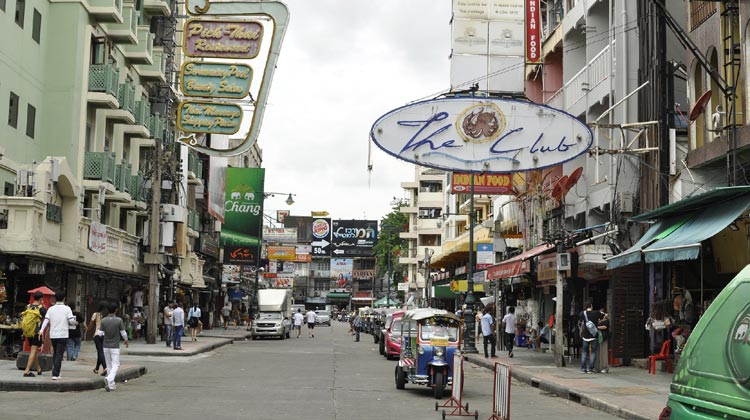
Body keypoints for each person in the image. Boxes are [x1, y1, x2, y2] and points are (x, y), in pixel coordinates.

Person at [38, 292, 76, 380]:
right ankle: (55, 374)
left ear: (55, 299)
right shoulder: (67, 309)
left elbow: (46, 321)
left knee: (56, 353)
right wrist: (75, 322)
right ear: (64, 299)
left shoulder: (51, 309)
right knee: (59, 354)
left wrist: (41, 331)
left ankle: (56, 370)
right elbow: (71, 321)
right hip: (63, 335)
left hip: (53, 335)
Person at [100, 301, 129, 391]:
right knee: (116, 364)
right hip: (115, 346)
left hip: (105, 346)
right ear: (116, 310)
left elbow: (100, 333)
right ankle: (109, 379)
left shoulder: (103, 320)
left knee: (108, 365)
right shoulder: (119, 320)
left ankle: (111, 385)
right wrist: (126, 340)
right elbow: (123, 332)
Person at [22, 291, 47, 377]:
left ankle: (38, 369)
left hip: (28, 332)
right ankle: (27, 370)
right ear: (41, 299)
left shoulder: (28, 307)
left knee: (34, 350)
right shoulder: (42, 309)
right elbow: (46, 321)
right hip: (36, 333)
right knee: (33, 351)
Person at [579, 302, 603, 373]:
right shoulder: (596, 313)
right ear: (591, 306)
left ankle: (583, 369)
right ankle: (590, 369)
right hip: (593, 335)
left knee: (584, 352)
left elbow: (580, 319)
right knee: (593, 352)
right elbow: (603, 316)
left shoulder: (582, 313)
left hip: (585, 336)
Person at [87, 301, 108, 376]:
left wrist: (87, 330)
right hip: (106, 336)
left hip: (97, 335)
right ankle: (96, 369)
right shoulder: (108, 316)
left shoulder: (96, 314)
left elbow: (90, 325)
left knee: (100, 352)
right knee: (101, 352)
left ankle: (105, 368)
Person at [595, 307, 610, 373]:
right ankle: (597, 367)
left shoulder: (606, 320)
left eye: (603, 313)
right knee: (597, 352)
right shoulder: (597, 320)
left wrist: (597, 327)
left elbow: (605, 327)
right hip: (598, 337)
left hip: (604, 337)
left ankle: (605, 367)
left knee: (604, 352)